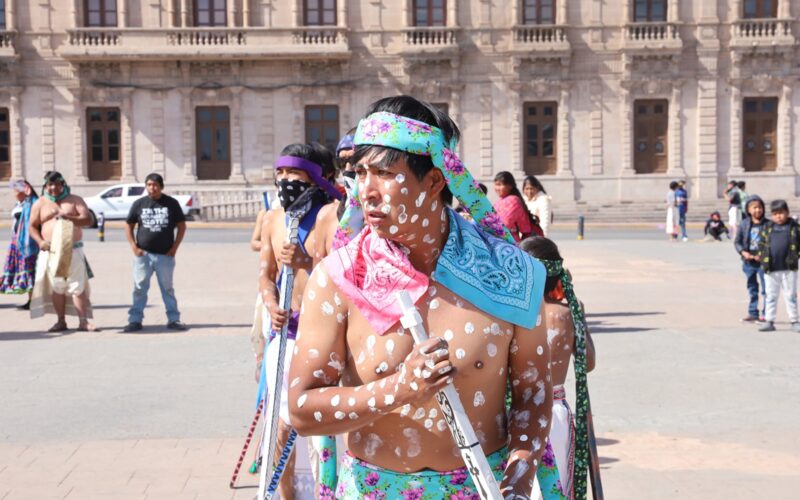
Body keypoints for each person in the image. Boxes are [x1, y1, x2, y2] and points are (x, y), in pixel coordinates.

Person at [288, 96, 553, 499]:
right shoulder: (337, 278)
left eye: (384, 173)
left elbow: (533, 394)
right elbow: (301, 409)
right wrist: (400, 388)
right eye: (360, 173)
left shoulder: (511, 273)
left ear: (434, 181)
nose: (366, 191)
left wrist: (517, 481)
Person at [256, 142, 342, 499]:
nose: (286, 180)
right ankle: (286, 495)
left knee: (323, 433)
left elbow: (345, 275)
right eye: (281, 173)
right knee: (279, 427)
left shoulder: (333, 216)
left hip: (323, 337)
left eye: (295, 173)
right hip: (286, 335)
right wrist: (271, 303)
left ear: (321, 177)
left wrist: (306, 262)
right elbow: (266, 275)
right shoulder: (273, 219)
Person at [520, 236, 597, 499]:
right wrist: (578, 316)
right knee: (555, 490)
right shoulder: (566, 314)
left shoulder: (511, 312)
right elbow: (588, 363)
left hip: (517, 411)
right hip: (555, 414)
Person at [28, 171, 96, 332]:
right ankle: (61, 321)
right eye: (50, 185)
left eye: (57, 184)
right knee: (57, 286)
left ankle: (83, 322)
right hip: (51, 251)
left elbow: (88, 220)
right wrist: (40, 242)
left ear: (63, 184)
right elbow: (32, 226)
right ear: (45, 186)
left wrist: (68, 217)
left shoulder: (75, 200)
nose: (53, 188)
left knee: (77, 286)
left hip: (73, 250)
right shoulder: (40, 203)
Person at [122, 173, 187, 332]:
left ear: (161, 186)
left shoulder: (171, 203)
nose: (152, 188)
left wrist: (174, 248)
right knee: (139, 288)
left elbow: (182, 226)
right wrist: (134, 247)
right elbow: (129, 225)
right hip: (143, 256)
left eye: (156, 185)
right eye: (149, 185)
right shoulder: (139, 204)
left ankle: (174, 319)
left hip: (165, 255)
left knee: (167, 289)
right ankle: (135, 320)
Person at [756, 200, 800, 332]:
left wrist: (797, 255)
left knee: (790, 295)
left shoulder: (794, 227)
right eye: (775, 214)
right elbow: (761, 243)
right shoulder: (768, 227)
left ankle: (794, 321)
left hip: (789, 268)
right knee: (771, 295)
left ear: (787, 212)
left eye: (781, 213)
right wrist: (762, 257)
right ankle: (769, 321)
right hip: (771, 268)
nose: (778, 216)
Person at [1, 180, 40, 308]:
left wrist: (29, 196)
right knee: (25, 270)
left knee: (30, 270)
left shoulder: (33, 203)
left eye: (16, 190)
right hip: (17, 241)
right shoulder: (19, 204)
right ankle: (31, 300)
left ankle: (33, 301)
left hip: (29, 242)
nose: (14, 193)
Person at [735, 196, 767, 323]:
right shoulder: (744, 224)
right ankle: (753, 312)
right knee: (752, 288)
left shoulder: (768, 224)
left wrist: (763, 255)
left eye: (760, 207)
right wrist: (743, 252)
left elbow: (772, 242)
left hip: (764, 262)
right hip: (749, 262)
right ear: (748, 210)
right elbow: (737, 242)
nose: (758, 210)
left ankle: (766, 313)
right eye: (754, 208)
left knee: (766, 289)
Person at [494, 171, 542, 242]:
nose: (497, 188)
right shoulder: (498, 203)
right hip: (498, 240)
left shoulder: (513, 200)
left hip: (509, 242)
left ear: (510, 186)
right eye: (496, 185)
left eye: (500, 185)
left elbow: (506, 223)